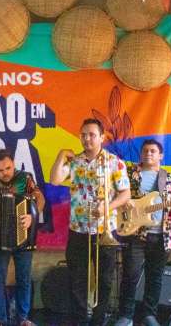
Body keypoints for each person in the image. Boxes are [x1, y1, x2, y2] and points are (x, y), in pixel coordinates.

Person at [50, 118, 130, 326]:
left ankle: (98, 320)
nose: (87, 139)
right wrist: (61, 155)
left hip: (105, 230)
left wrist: (107, 207)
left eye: (92, 135)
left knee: (105, 279)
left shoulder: (114, 162)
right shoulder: (75, 161)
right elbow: (55, 179)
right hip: (78, 229)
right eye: (83, 135)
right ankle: (79, 320)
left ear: (102, 137)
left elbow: (125, 194)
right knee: (77, 278)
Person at [114, 139, 171, 326]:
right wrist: (125, 203)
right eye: (145, 150)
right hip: (133, 233)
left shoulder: (170, 179)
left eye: (153, 151)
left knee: (155, 278)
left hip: (161, 236)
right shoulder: (129, 173)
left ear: (160, 155)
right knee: (130, 276)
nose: (148, 153)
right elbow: (115, 195)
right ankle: (125, 316)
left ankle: (149, 315)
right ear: (141, 154)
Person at [0, 149, 45, 326]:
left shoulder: (25, 178)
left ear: (13, 164)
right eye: (0, 170)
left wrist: (33, 215)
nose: (5, 173)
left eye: (8, 168)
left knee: (24, 278)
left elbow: (40, 198)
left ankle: (23, 318)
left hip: (23, 236)